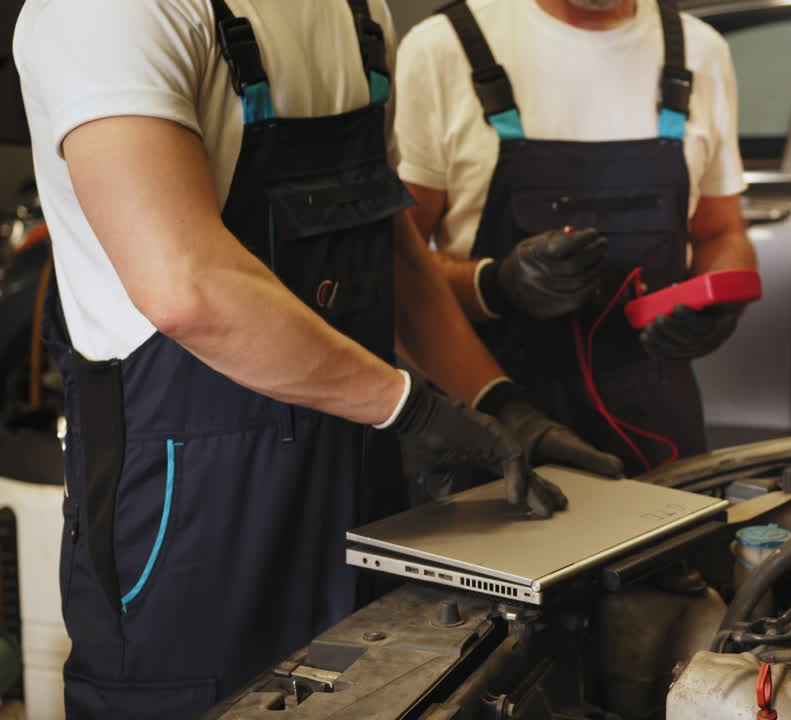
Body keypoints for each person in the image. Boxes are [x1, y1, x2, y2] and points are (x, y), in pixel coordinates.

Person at [14, 0, 616, 716]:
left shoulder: (357, 11)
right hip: (189, 518)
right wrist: (408, 408)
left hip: (358, 484)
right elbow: (186, 287)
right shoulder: (113, 11)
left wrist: (497, 405)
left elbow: (385, 243)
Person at [395, 0, 757, 476]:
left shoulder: (698, 50)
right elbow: (394, 267)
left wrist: (718, 301)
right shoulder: (442, 48)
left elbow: (721, 231)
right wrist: (496, 285)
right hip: (496, 425)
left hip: (658, 426)